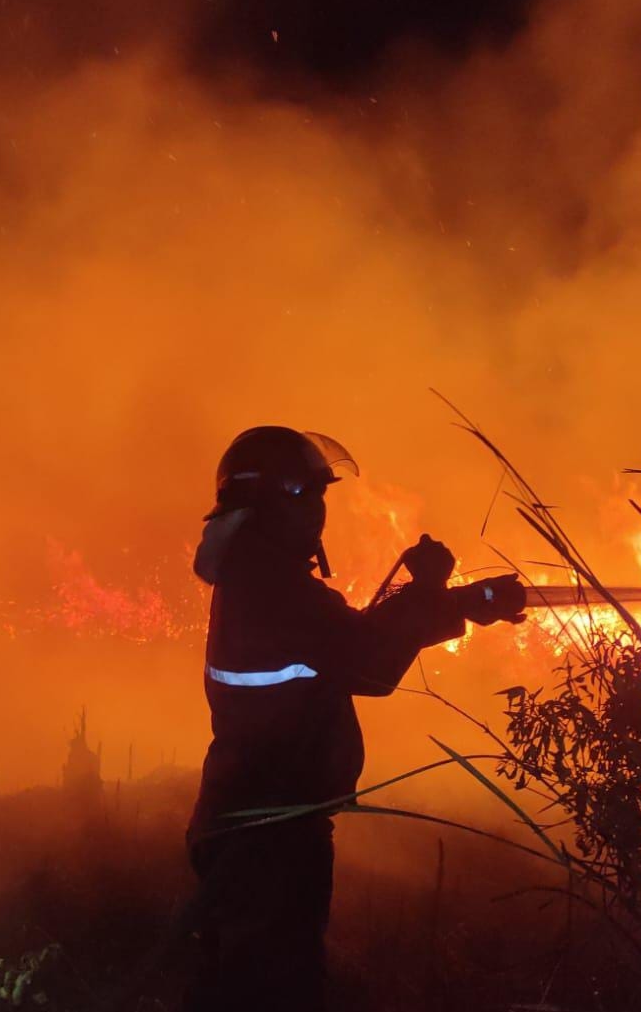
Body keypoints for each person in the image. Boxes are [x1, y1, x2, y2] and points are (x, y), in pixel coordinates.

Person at [185, 426, 525, 1012]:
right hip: (270, 836)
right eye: (309, 496)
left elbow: (347, 640)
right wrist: (431, 589)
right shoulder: (275, 587)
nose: (319, 512)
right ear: (273, 502)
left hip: (249, 822)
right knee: (273, 990)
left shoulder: (259, 575)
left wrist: (463, 604)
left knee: (235, 984)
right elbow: (370, 668)